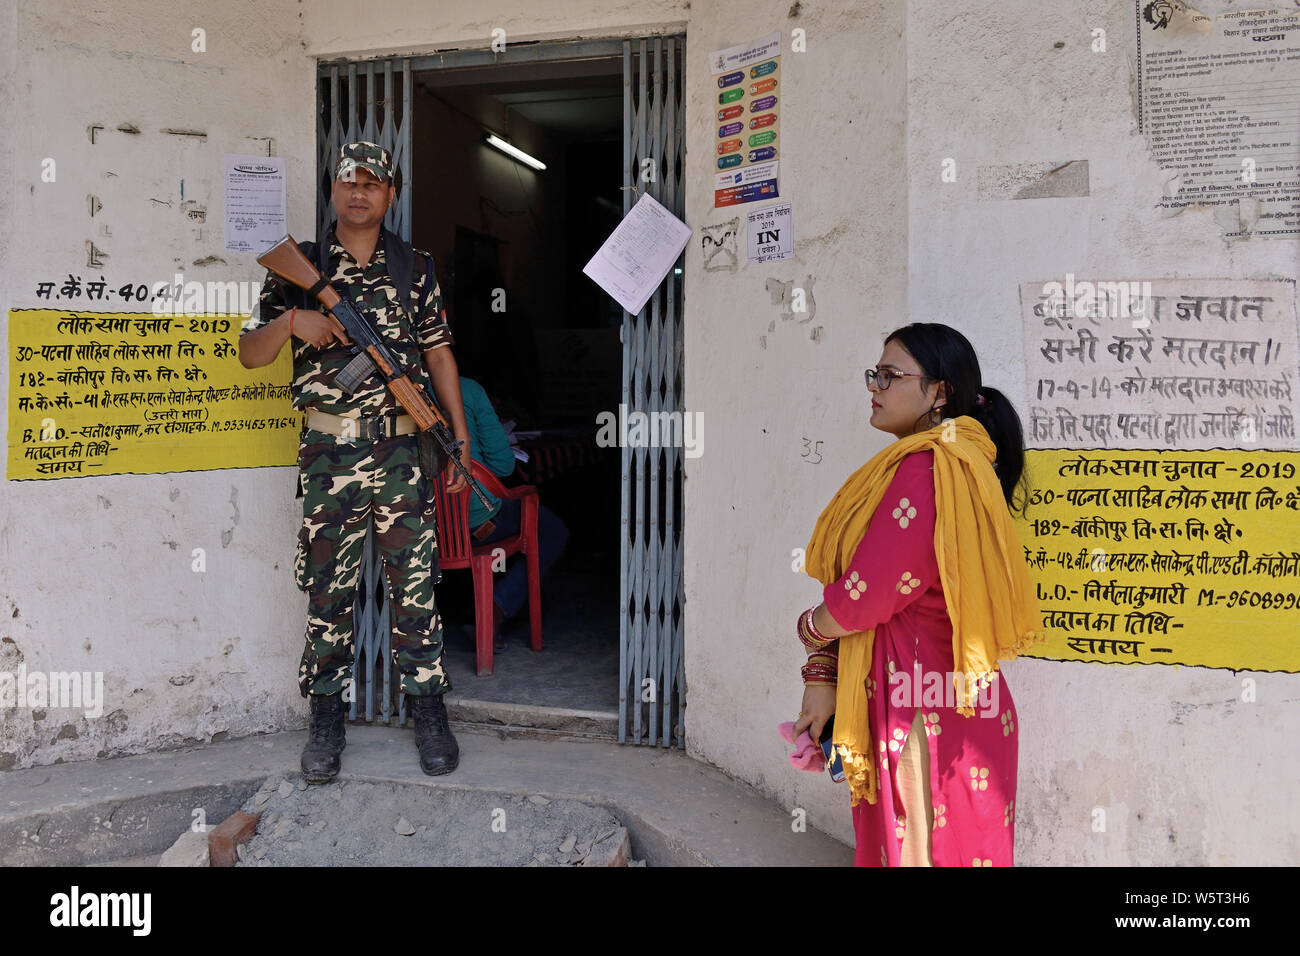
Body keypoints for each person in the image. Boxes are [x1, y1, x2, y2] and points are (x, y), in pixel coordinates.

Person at [238, 141, 472, 782]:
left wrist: (458, 432)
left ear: (391, 194)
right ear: (333, 192)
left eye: (373, 183)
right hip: (329, 450)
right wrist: (292, 323)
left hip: (400, 449)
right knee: (328, 590)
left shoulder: (415, 268)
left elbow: (441, 354)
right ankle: (325, 720)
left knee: (415, 588)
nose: (360, 192)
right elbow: (249, 354)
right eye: (349, 182)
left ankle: (428, 712)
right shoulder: (300, 267)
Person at [793, 323, 1044, 866]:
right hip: (949, 699)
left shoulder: (927, 467)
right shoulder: (959, 460)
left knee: (919, 852)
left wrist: (810, 630)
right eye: (874, 374)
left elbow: (863, 597)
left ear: (938, 392)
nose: (874, 386)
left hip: (922, 710)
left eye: (890, 375)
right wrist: (823, 671)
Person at [458, 376, 569, 649]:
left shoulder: (399, 388)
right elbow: (504, 465)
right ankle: (497, 609)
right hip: (477, 523)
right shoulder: (469, 390)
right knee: (553, 530)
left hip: (418, 527)